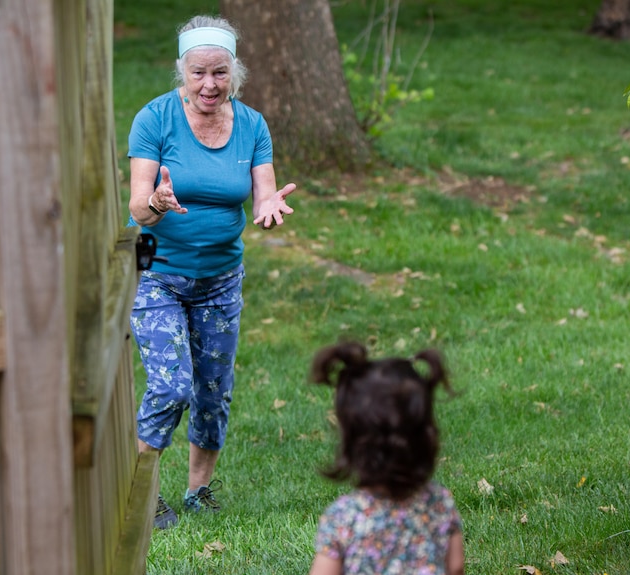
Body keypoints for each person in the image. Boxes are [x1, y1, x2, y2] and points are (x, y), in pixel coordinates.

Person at [127, 15, 296, 529]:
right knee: (170, 384)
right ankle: (141, 494)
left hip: (221, 277)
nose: (209, 85)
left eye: (219, 73)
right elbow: (137, 209)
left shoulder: (252, 125)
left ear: (234, 73)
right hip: (155, 268)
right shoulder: (154, 119)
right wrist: (157, 200)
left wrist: (269, 207)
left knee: (212, 389)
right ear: (183, 71)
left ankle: (199, 491)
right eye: (198, 72)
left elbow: (263, 189)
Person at [307, 341, 465, 575]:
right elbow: (456, 566)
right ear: (425, 438)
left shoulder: (343, 517)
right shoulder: (439, 503)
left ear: (351, 443)